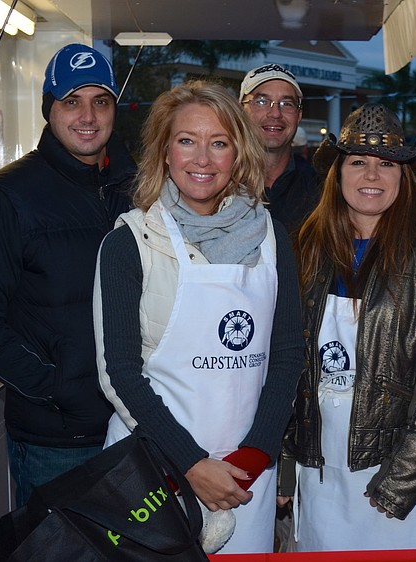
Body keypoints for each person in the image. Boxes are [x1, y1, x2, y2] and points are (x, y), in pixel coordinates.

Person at [93, 80, 303, 554]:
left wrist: (255, 455)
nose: (202, 159)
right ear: (165, 152)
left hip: (244, 474)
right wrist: (190, 463)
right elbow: (119, 372)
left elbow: (288, 355)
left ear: (239, 153)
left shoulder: (272, 237)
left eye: (219, 143)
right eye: (186, 141)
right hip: (153, 466)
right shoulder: (130, 243)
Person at [279, 103, 416, 551]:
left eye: (387, 164)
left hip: (401, 476)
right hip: (321, 470)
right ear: (338, 173)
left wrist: (401, 481)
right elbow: (287, 366)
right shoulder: (304, 251)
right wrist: (288, 462)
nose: (372, 175)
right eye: (358, 162)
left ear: (403, 178)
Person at [0, 43, 136, 508]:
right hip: (58, 440)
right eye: (71, 101)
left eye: (100, 100)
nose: (88, 116)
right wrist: (58, 389)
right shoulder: (6, 196)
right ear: (48, 110)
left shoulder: (137, 190)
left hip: (138, 427)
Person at [240, 63, 319, 232]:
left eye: (286, 104)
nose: (275, 113)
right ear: (241, 111)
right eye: (261, 101)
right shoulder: (218, 181)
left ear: (299, 116)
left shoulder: (320, 189)